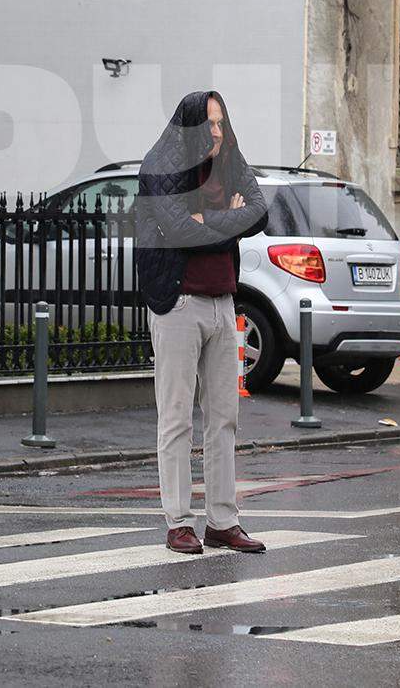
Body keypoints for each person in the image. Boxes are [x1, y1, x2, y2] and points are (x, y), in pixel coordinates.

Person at [135, 90, 269, 554]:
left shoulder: (229, 157)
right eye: (209, 124)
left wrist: (211, 219)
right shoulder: (160, 166)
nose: (216, 132)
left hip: (222, 303)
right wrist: (227, 218)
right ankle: (178, 522)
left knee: (224, 419)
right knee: (176, 418)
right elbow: (177, 230)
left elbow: (259, 210)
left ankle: (222, 521)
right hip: (177, 304)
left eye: (220, 122)